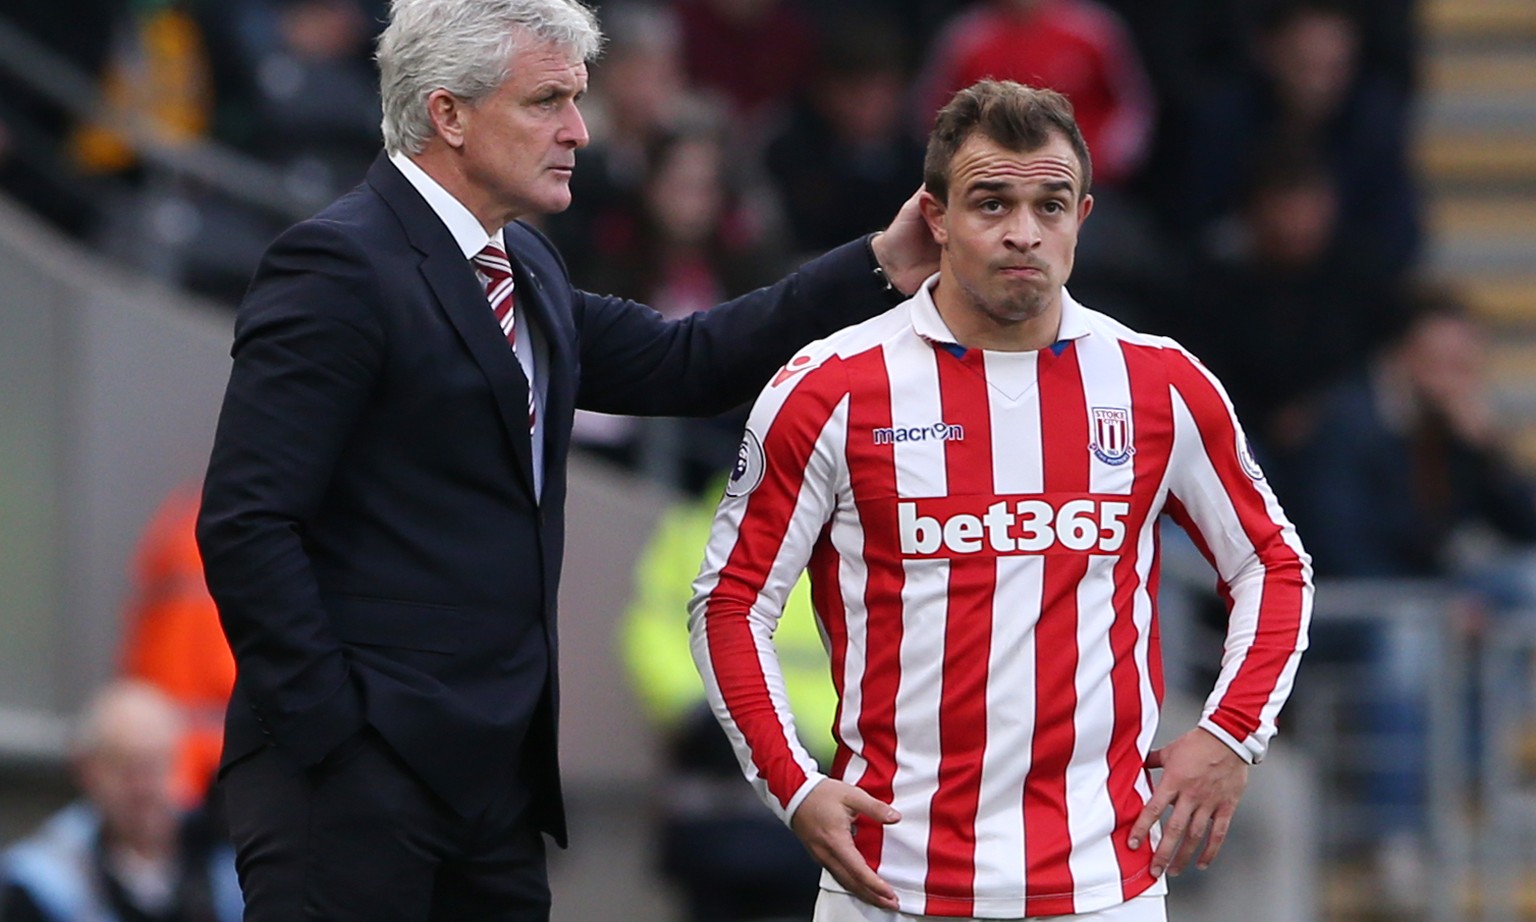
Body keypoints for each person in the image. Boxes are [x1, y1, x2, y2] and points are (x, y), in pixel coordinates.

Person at [193, 0, 938, 920]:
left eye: (577, 100)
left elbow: (688, 359)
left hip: (492, 787)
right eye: (547, 101)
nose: (580, 131)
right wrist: (336, 736)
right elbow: (245, 522)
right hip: (355, 783)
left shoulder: (528, 267)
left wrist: (877, 263)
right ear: (448, 112)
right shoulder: (336, 266)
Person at [689, 80, 1312, 920]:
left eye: (1050, 205)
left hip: (1103, 887)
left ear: (1082, 216)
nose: (1024, 232)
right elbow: (730, 602)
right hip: (889, 889)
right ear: (937, 218)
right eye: (991, 203)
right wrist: (793, 786)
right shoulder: (830, 388)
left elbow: (1273, 563)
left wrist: (1233, 733)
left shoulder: (1159, 384)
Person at [622, 472, 836, 921]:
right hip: (719, 772)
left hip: (821, 765)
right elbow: (652, 627)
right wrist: (699, 711)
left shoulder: (846, 517)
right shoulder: (695, 519)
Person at [0, 681, 242, 922]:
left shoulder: (224, 855)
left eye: (154, 765)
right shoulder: (47, 881)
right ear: (86, 770)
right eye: (124, 768)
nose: (142, 786)